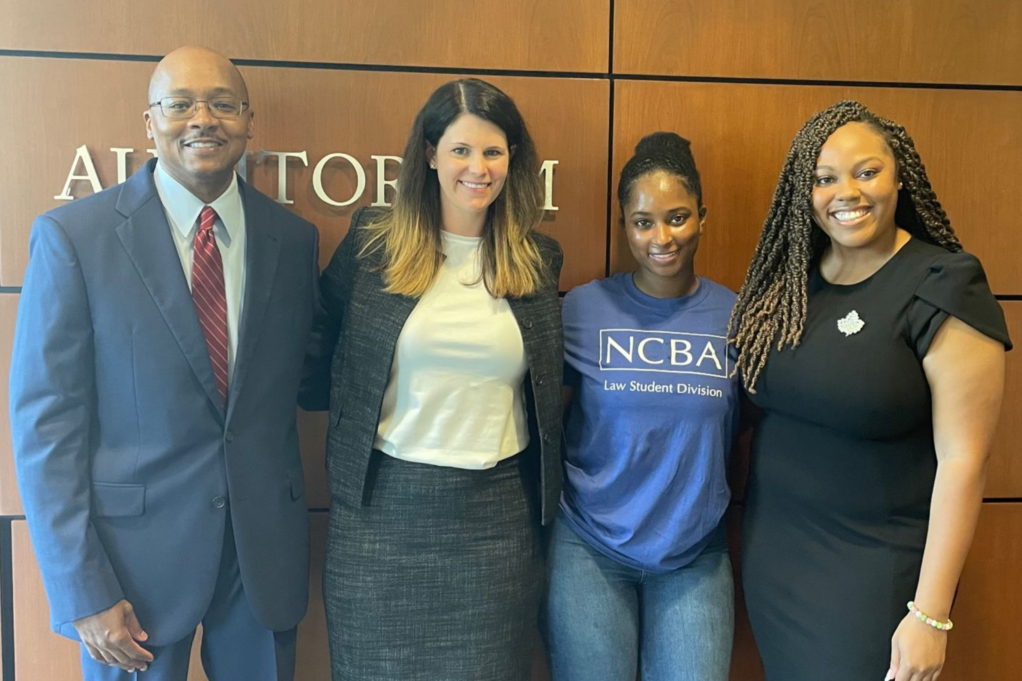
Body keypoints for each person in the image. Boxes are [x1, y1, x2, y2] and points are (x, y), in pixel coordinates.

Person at [9, 46, 319, 681]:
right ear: (148, 123)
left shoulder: (293, 240)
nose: (202, 118)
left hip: (262, 559)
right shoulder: (75, 238)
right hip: (129, 572)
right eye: (180, 105)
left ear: (248, 120)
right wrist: (82, 588)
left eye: (222, 104)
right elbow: (47, 428)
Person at [729, 100, 1011, 681]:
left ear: (899, 176)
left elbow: (965, 460)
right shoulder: (791, 287)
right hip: (775, 560)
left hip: (872, 573)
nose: (846, 192)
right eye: (825, 178)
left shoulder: (943, 283)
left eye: (866, 172)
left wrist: (930, 616)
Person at [301, 78, 564, 681]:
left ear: (513, 160)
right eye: (461, 150)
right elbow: (319, 346)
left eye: (494, 152)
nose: (478, 167)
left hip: (495, 523)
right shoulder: (375, 241)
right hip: (381, 517)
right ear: (429, 154)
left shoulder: (536, 259)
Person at [543, 132, 738, 681]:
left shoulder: (736, 316)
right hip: (590, 549)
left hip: (693, 556)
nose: (662, 237)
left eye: (677, 217)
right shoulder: (583, 308)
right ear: (625, 224)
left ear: (703, 217)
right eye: (643, 221)